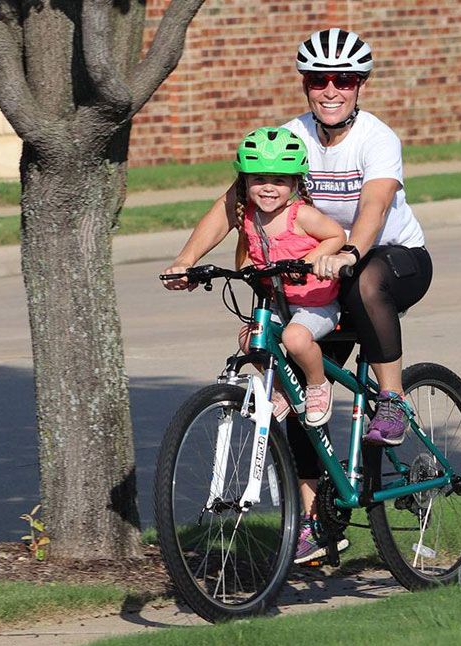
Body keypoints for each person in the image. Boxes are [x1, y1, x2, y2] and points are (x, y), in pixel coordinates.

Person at [162, 28, 432, 564]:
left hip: (393, 258)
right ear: (306, 85)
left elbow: (375, 207)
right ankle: (318, 522)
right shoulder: (291, 137)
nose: (330, 91)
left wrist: (350, 250)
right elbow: (230, 205)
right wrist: (186, 260)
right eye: (319, 80)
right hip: (318, 274)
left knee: (368, 280)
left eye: (344, 80)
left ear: (360, 86)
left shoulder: (377, 139)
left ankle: (393, 400)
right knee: (298, 389)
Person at [232, 126, 347, 426]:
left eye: (279, 181)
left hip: (316, 304)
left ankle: (317, 384)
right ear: (245, 180)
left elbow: (336, 235)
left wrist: (309, 260)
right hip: (281, 303)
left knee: (295, 338)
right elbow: (247, 249)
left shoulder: (301, 215)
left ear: (295, 182)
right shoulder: (248, 216)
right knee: (250, 338)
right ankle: (281, 392)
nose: (268, 188)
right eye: (259, 179)